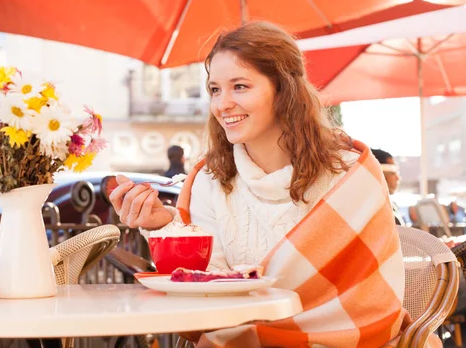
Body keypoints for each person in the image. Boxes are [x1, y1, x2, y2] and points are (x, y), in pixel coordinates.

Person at [110, 22, 411, 347]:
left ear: (283, 90)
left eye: (239, 86)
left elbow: (370, 298)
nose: (222, 104)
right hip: (240, 337)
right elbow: (208, 285)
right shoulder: (210, 180)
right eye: (215, 89)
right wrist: (164, 224)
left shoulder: (350, 175)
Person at [371, 148, 405, 225]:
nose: (397, 178)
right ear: (380, 173)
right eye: (393, 172)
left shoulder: (391, 207)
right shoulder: (378, 213)